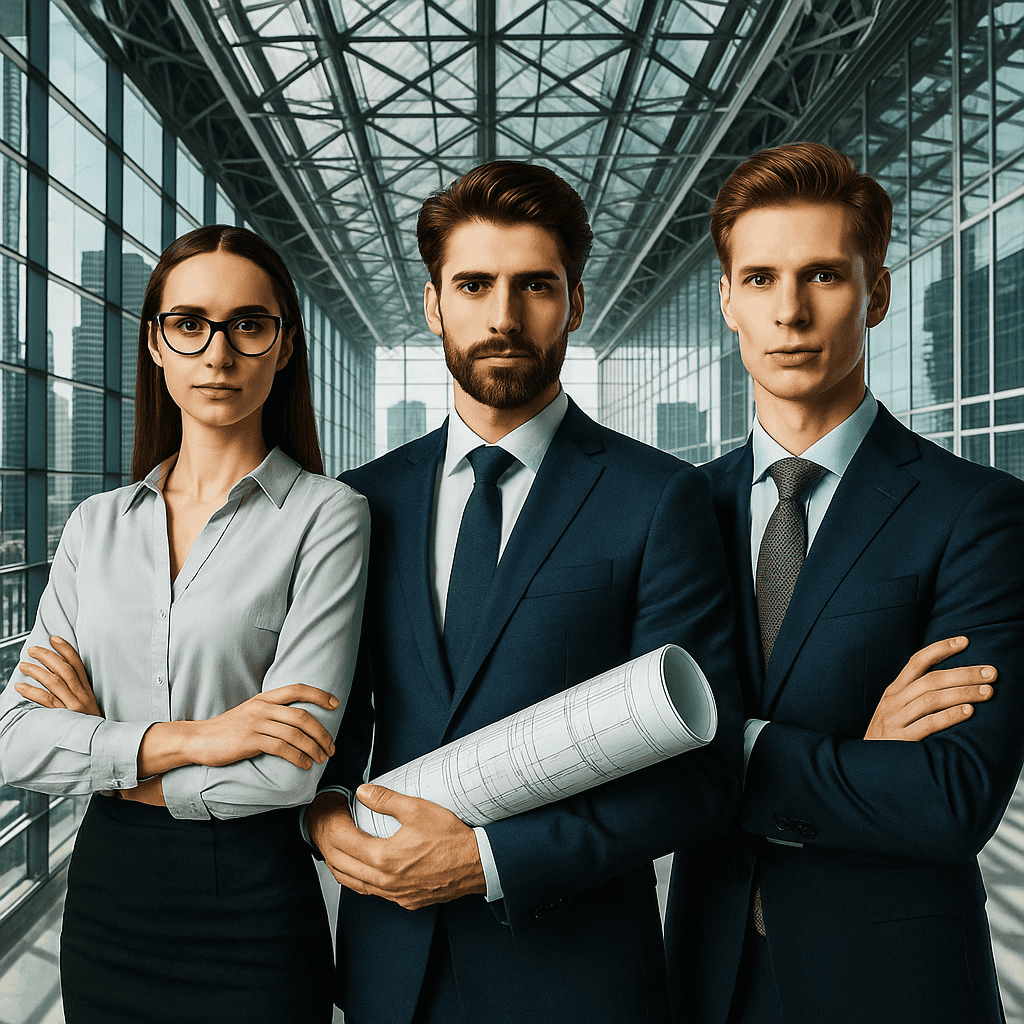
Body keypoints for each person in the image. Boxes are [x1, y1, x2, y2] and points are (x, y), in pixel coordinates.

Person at [302, 160, 744, 1024]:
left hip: (573, 976)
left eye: (534, 285)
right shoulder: (358, 503)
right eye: (473, 284)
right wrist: (322, 816)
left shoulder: (659, 499)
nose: (503, 317)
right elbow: (330, 727)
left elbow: (703, 774)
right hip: (393, 974)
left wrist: (489, 861)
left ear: (574, 302)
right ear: (433, 305)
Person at [664, 142, 1024, 1024]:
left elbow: (947, 800)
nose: (789, 312)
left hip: (894, 984)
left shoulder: (978, 513)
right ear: (727, 303)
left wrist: (726, 744)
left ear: (877, 293)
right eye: (759, 279)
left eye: (823, 275)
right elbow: (630, 762)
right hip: (702, 982)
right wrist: (857, 756)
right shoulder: (677, 511)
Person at [0, 225, 370, 1024]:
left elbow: (287, 772)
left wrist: (105, 744)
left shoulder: (328, 517)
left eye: (248, 324)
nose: (218, 353)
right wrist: (206, 737)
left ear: (284, 345)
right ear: (156, 344)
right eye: (189, 324)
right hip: (108, 905)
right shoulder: (95, 527)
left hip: (252, 907)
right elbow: (17, 740)